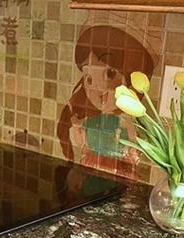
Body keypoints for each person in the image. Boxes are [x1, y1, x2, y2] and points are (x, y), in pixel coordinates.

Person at [56, 25, 157, 178]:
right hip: (90, 171)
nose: (97, 89)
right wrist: (77, 128)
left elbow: (134, 144)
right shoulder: (90, 120)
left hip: (118, 174)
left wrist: (132, 150)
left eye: (110, 74)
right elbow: (82, 142)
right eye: (88, 79)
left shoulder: (126, 120)